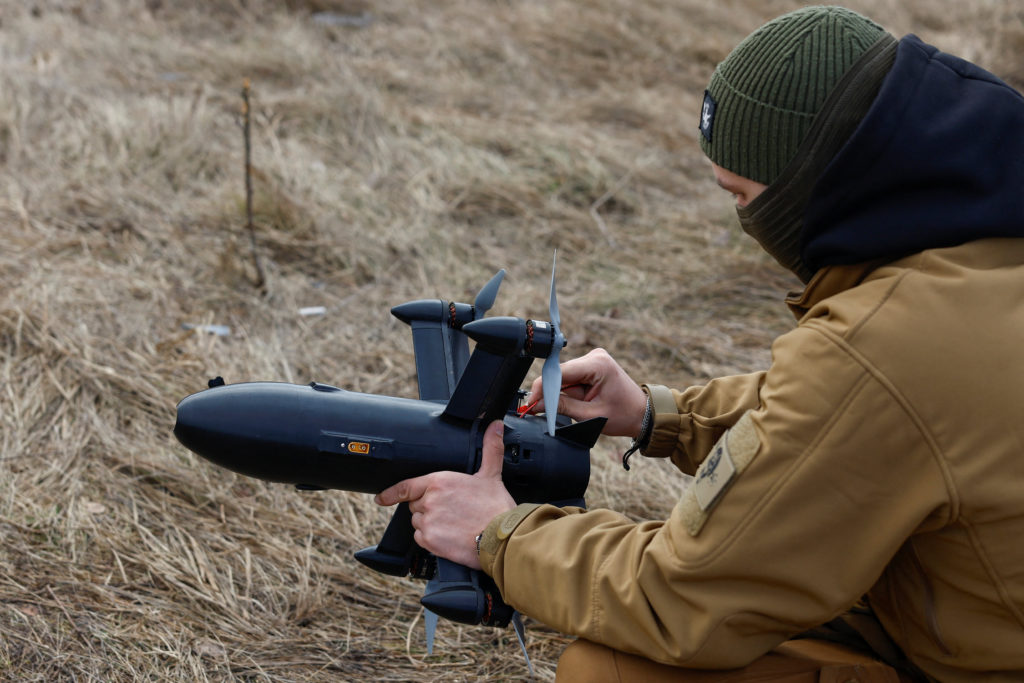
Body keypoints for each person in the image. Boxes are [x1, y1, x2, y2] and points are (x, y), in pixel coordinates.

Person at [375, 5, 1024, 681]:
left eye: (741, 193)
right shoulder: (981, 246)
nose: (741, 216)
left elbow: (680, 598)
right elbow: (880, 418)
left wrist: (498, 534)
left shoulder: (884, 345)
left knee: (612, 670)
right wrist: (664, 415)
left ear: (819, 180)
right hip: (972, 616)